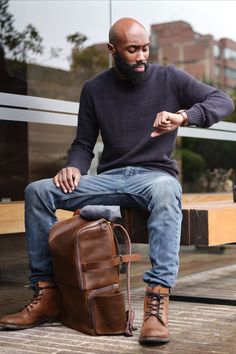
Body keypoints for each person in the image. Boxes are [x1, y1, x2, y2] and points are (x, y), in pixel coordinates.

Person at [0, 18, 234, 345]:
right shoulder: (94, 89)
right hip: (109, 179)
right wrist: (73, 168)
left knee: (168, 191)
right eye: (132, 49)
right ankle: (47, 293)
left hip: (154, 176)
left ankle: (156, 300)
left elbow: (223, 101)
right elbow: (83, 144)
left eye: (145, 48)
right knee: (37, 191)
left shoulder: (168, 78)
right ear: (113, 50)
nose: (141, 56)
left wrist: (183, 117)